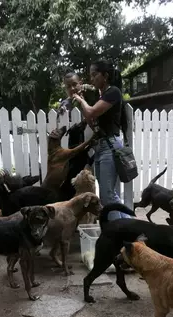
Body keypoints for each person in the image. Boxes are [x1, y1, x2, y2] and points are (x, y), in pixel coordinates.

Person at [72, 60, 132, 220]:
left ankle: (124, 229)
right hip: (101, 147)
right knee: (109, 195)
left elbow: (91, 112)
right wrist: (83, 101)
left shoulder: (113, 92)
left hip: (110, 147)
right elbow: (93, 122)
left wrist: (80, 100)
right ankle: (126, 229)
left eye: (94, 75)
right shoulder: (104, 95)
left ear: (105, 76)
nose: (91, 79)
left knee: (108, 196)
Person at [58, 72, 93, 201]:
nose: (72, 89)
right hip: (72, 150)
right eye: (68, 86)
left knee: (90, 183)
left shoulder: (91, 99)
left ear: (80, 83)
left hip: (92, 147)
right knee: (72, 182)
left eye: (74, 85)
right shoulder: (64, 106)